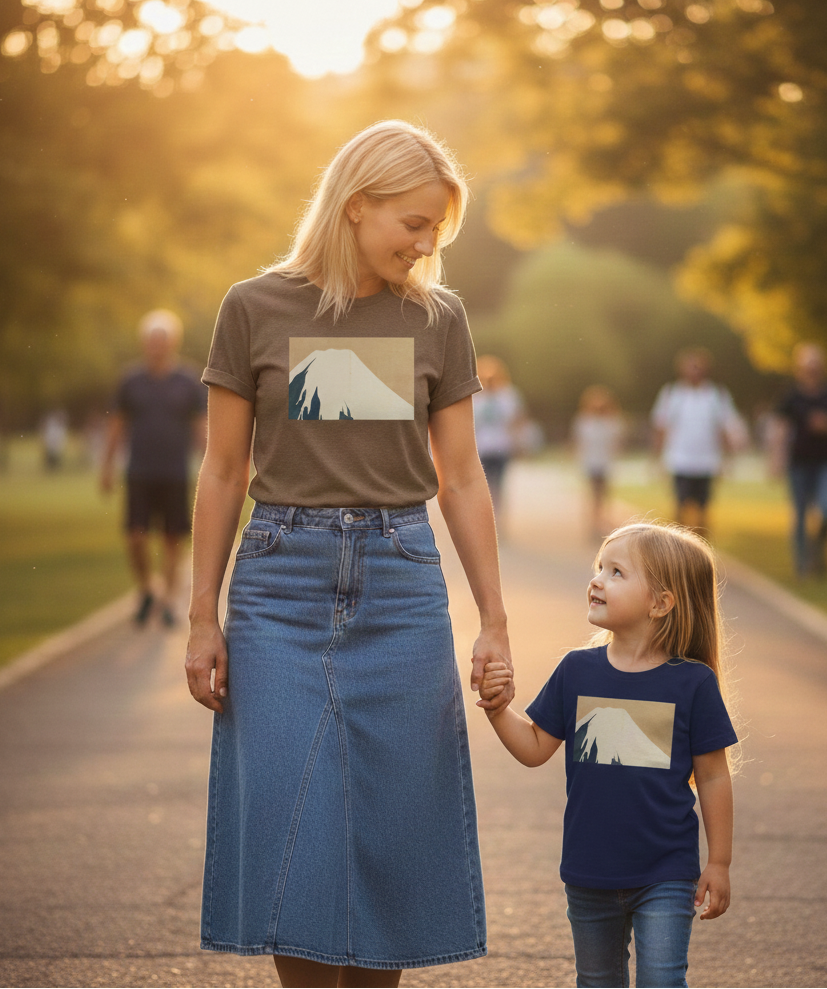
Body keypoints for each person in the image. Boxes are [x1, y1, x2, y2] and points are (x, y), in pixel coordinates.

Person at [184, 120, 514, 989]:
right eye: (412, 222)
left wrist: (495, 621)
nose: (424, 243)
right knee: (296, 825)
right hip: (279, 588)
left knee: (393, 829)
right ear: (356, 204)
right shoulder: (253, 306)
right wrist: (199, 618)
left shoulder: (439, 318)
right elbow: (221, 473)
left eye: (436, 230)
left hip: (401, 583)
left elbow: (464, 478)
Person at [479, 522, 737, 989]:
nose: (596, 579)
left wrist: (718, 862)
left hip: (667, 871)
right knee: (597, 981)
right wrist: (499, 710)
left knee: (662, 980)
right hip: (588, 869)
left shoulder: (693, 683)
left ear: (661, 603)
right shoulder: (576, 670)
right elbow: (535, 747)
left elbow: (715, 777)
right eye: (599, 567)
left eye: (616, 572)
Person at [101, 309, 207, 626]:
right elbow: (118, 426)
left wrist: (209, 465)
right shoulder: (130, 381)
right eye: (151, 340)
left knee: (172, 539)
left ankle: (169, 600)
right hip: (140, 472)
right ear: (144, 343)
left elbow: (201, 428)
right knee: (135, 536)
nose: (156, 346)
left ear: (173, 342)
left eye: (162, 340)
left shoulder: (188, 381)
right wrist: (107, 466)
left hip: (174, 473)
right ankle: (148, 586)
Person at [771, 342, 827, 578]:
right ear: (800, 367)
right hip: (799, 463)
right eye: (808, 364)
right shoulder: (792, 396)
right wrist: (776, 458)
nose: (812, 369)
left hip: (826, 463)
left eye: (816, 364)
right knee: (801, 514)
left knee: (826, 510)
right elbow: (782, 428)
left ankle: (820, 551)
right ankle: (803, 565)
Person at [651, 347, 746, 537]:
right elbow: (660, 428)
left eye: (698, 367)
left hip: (707, 461)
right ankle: (677, 553)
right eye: (690, 367)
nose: (694, 371)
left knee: (703, 511)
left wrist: (729, 458)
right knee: (680, 508)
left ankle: (702, 555)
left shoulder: (716, 395)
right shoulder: (672, 394)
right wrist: (656, 458)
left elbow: (725, 427)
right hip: (680, 460)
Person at [472, 355, 526, 519]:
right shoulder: (476, 396)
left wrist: (518, 442)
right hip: (481, 447)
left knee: (499, 485)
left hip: (502, 446)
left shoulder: (508, 395)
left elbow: (517, 420)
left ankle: (498, 518)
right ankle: (486, 517)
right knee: (483, 486)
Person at [571, 385, 624, 540]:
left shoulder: (612, 422)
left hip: (605, 463)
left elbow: (617, 443)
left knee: (604, 496)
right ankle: (593, 525)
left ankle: (601, 523)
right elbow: (579, 443)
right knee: (594, 495)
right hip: (590, 463)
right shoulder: (584, 422)